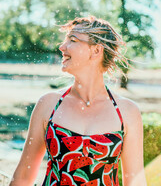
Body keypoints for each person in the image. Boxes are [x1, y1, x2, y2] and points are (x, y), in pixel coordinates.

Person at [9, 16, 147, 186]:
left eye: (72, 40)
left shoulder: (127, 112)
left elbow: (135, 182)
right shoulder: (48, 104)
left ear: (96, 51)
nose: (61, 47)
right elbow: (23, 176)